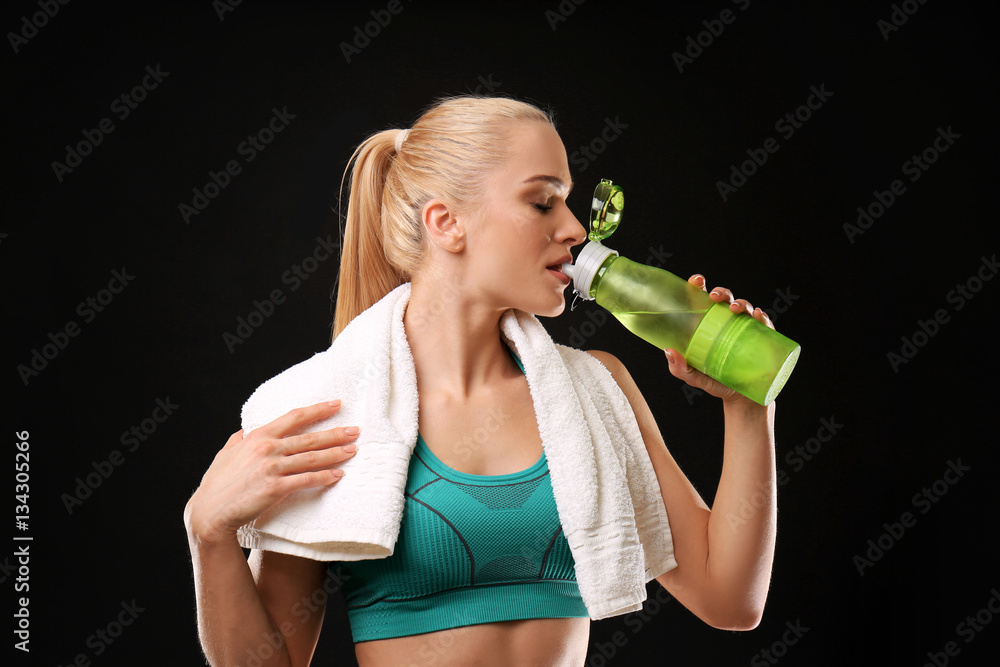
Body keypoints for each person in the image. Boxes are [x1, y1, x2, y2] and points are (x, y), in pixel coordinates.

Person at [184, 95, 778, 666]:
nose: (576, 229)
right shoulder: (328, 411)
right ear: (447, 223)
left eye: (570, 202)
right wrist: (209, 533)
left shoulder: (594, 390)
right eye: (544, 203)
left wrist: (748, 404)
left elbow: (730, 601)